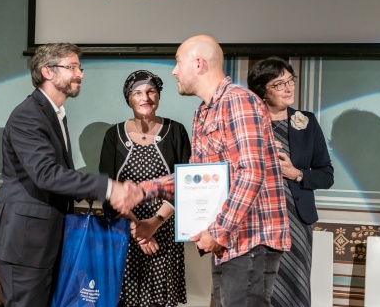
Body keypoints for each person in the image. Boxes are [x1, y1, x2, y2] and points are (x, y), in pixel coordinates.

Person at [0, 42, 143, 307]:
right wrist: (108, 188)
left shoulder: (55, 113)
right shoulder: (28, 115)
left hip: (46, 242)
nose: (79, 74)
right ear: (47, 72)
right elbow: (47, 175)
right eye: (71, 67)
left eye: (79, 67)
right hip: (25, 245)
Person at [139, 35, 291, 307]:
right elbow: (197, 178)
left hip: (249, 241)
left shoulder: (238, 101)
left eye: (178, 63)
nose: (174, 71)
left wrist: (218, 232)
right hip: (227, 243)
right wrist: (141, 190)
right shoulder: (204, 112)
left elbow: (251, 173)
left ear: (198, 64)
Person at [247, 56, 334, 307]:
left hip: (296, 221)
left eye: (290, 81)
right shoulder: (249, 124)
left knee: (294, 285)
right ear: (262, 90)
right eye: (278, 84)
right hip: (256, 219)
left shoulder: (306, 122)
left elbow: (326, 175)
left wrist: (294, 172)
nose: (288, 88)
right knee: (257, 285)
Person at [99, 70, 191, 307]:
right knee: (121, 300)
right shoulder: (113, 135)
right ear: (128, 98)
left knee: (158, 302)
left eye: (151, 91)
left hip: (164, 233)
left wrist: (154, 223)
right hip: (124, 231)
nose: (145, 97)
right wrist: (138, 230)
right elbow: (107, 185)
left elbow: (186, 183)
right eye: (137, 92)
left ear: (159, 96)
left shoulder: (176, 132)